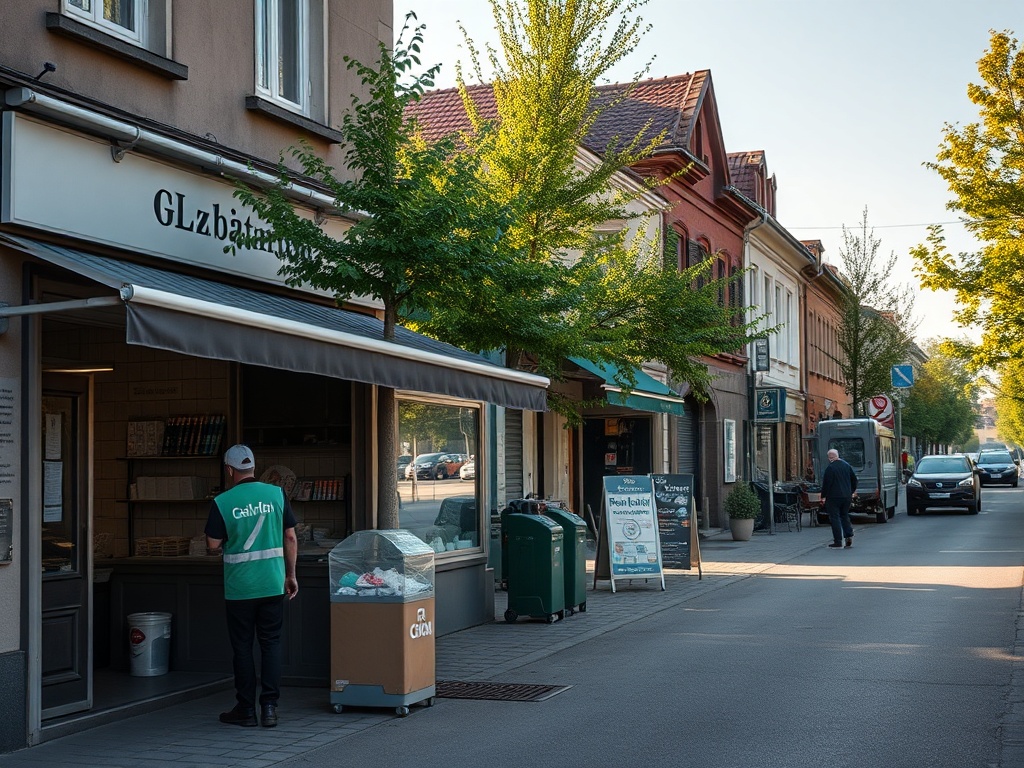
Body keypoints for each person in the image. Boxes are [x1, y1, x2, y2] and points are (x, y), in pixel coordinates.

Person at [206, 444, 298, 728]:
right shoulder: (276, 494)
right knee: (271, 645)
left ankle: (246, 710)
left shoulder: (222, 501)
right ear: (253, 468)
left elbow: (212, 545)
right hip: (272, 583)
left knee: (243, 649)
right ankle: (269, 707)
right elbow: (291, 537)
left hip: (240, 588)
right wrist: (290, 575)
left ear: (229, 470)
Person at [819, 447, 857, 549]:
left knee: (835, 518)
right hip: (846, 496)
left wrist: (823, 497)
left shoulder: (830, 468)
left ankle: (838, 541)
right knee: (844, 515)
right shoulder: (847, 466)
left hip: (833, 497)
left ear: (830, 458)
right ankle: (848, 536)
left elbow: (827, 484)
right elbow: (854, 480)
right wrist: (851, 491)